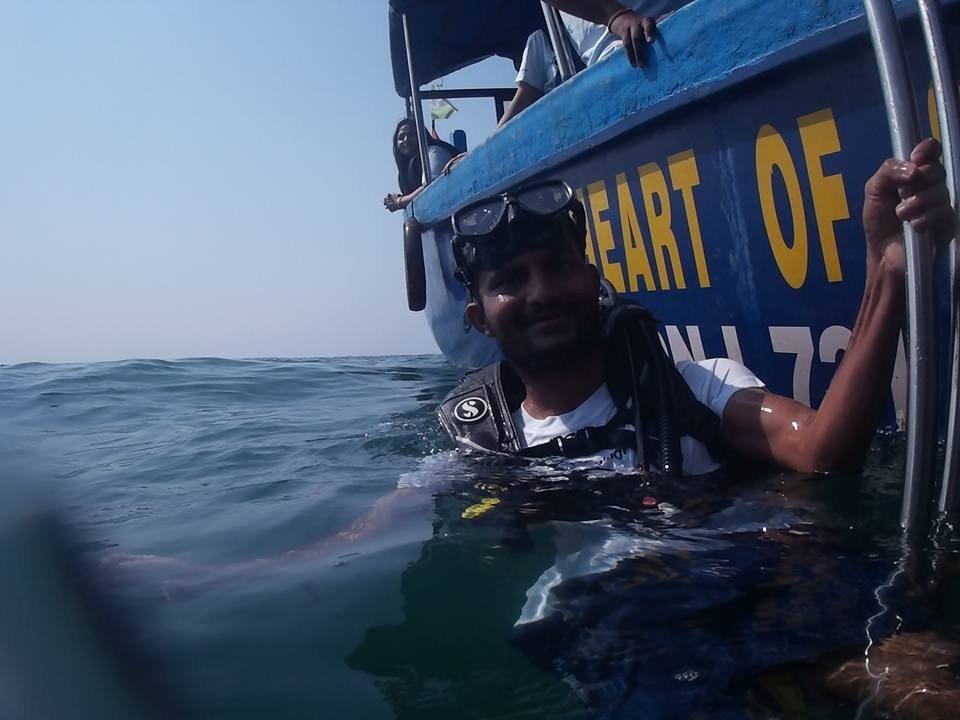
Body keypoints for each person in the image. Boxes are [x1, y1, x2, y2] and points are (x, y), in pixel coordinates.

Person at [438, 138, 955, 477]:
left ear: (593, 282)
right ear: (479, 318)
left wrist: (887, 266)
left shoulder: (697, 390)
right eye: (510, 281)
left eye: (557, 267)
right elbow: (378, 532)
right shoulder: (477, 441)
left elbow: (823, 450)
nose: (541, 292)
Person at [383, 118, 457, 213]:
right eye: (401, 137)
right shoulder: (408, 168)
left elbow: (431, 187)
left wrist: (399, 202)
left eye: (411, 135)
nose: (406, 140)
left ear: (421, 136)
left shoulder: (434, 152)